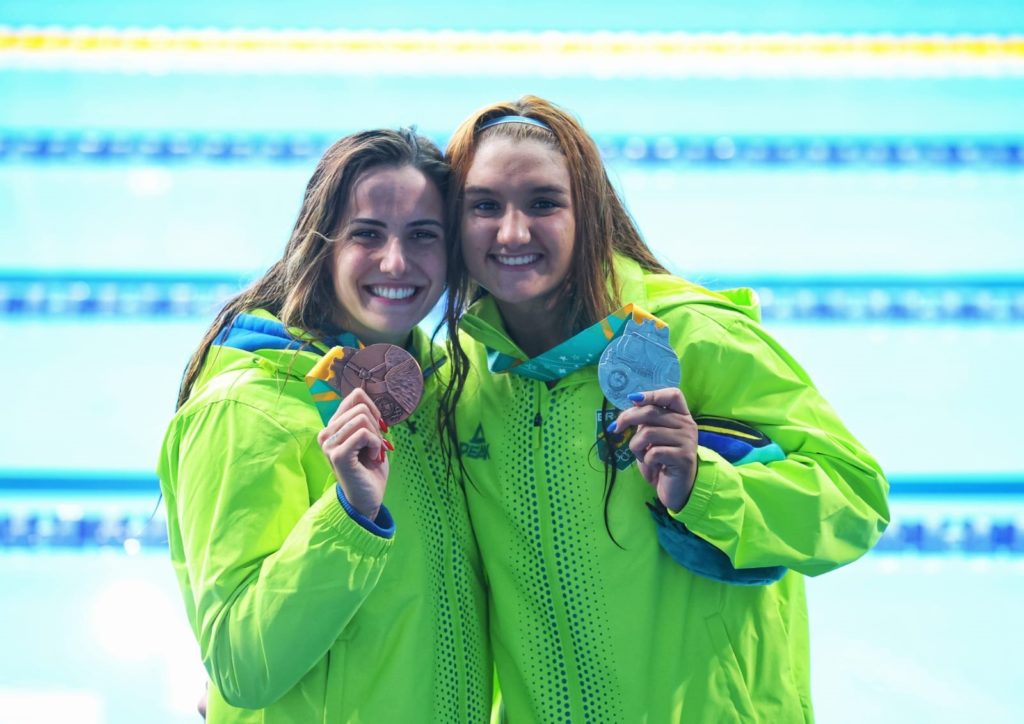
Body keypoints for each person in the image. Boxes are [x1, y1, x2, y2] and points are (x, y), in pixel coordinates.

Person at [438, 97, 890, 722]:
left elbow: (856, 497)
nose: (513, 232)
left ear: (589, 213)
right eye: (484, 205)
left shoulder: (689, 335)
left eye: (544, 202)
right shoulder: (466, 375)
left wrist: (706, 487)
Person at [157, 129, 492, 723]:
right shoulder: (245, 410)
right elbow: (241, 664)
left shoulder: (440, 396)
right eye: (367, 234)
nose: (396, 262)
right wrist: (350, 518)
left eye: (423, 236)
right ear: (322, 244)